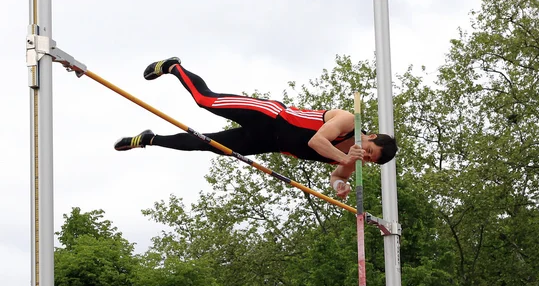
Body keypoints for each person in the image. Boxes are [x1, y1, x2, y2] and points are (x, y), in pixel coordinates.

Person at [114, 57, 398, 199]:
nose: (365, 156)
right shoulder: (348, 122)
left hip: (267, 142)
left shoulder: (351, 163)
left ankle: (149, 140)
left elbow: (337, 176)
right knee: (206, 101)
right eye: (369, 150)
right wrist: (344, 158)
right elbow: (316, 142)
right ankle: (174, 67)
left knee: (207, 144)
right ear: (370, 137)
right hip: (269, 116)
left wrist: (340, 185)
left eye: (370, 159)